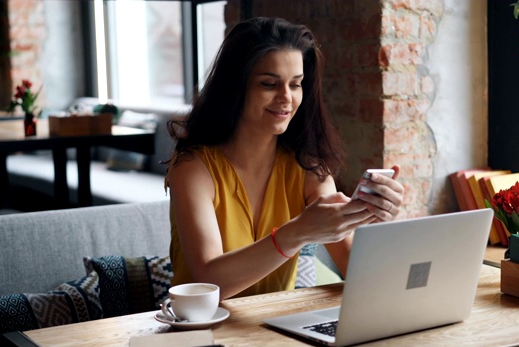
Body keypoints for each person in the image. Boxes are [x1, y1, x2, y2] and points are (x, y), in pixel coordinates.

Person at [165, 17, 404, 300]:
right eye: (269, 84)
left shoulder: (307, 167)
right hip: (201, 329)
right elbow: (210, 281)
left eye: (296, 84)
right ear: (235, 87)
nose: (286, 98)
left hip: (275, 331)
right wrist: (296, 232)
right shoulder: (193, 168)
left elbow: (354, 266)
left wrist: (373, 217)